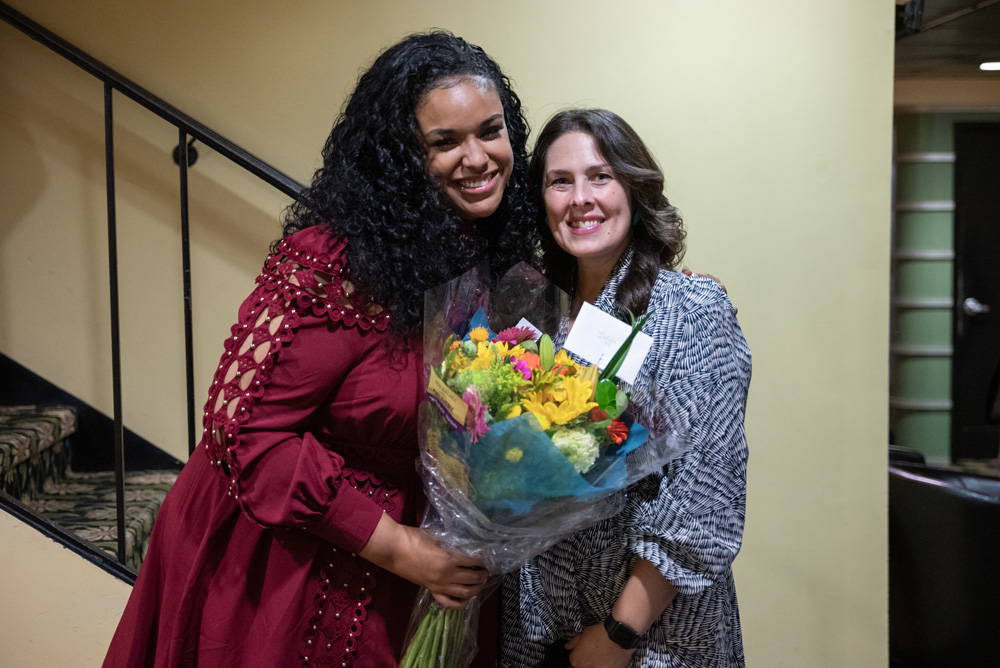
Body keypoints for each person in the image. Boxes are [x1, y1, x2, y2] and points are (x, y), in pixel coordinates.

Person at [103, 31, 540, 668]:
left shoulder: (495, 263)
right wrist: (399, 548)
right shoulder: (335, 262)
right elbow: (245, 432)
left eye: (490, 131)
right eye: (445, 142)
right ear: (401, 157)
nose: (477, 158)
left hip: (432, 564)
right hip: (301, 564)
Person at [501, 109, 751, 668]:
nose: (580, 198)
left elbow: (705, 498)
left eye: (601, 176)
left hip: (651, 641)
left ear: (634, 190)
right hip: (538, 630)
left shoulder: (689, 310)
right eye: (559, 181)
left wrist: (619, 633)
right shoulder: (530, 320)